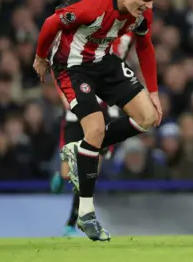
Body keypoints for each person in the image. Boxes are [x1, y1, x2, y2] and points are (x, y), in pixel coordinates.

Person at [33, 0, 166, 241]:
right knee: (95, 131)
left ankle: (80, 149)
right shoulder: (93, 6)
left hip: (104, 60)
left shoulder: (140, 13)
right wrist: (41, 57)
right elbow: (50, 22)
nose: (148, 8)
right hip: (71, 66)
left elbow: (144, 46)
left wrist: (153, 92)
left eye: (152, 2)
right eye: (145, 1)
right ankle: (85, 214)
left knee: (149, 117)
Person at [49, 33, 133, 236]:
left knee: (88, 171)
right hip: (76, 110)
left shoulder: (123, 37)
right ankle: (62, 176)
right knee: (69, 173)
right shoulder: (83, 38)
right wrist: (63, 96)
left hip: (104, 111)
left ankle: (72, 221)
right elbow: (56, 63)